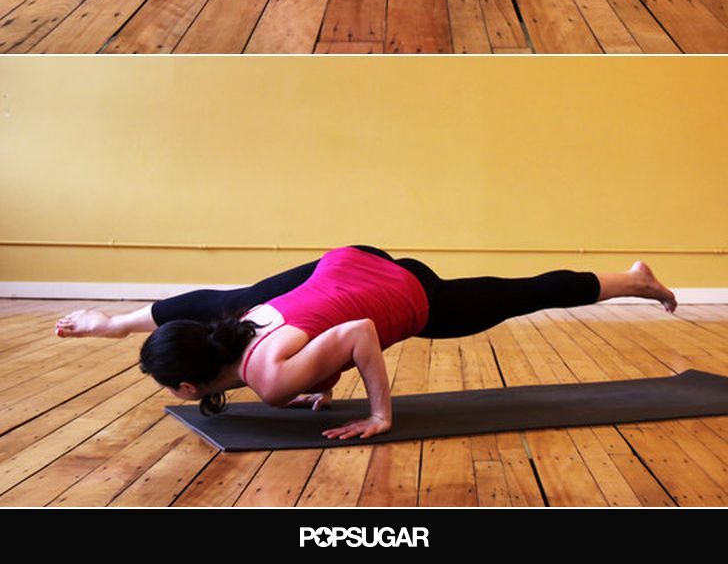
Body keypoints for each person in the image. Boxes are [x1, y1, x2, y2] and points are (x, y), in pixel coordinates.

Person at [56, 254, 677, 440]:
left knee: (518, 296)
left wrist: (380, 413)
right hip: (350, 262)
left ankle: (635, 282)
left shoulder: (269, 382)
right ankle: (632, 278)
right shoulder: (237, 324)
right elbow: (315, 324)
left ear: (189, 387)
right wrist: (320, 376)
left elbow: (358, 333)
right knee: (234, 293)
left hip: (401, 292)